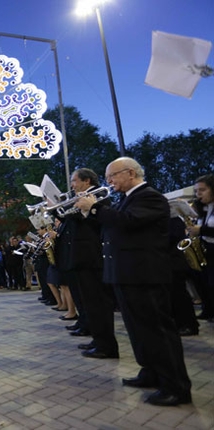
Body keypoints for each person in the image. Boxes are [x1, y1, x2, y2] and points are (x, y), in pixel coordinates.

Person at [76, 157, 192, 406]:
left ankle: (176, 386)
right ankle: (150, 372)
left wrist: (95, 208)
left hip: (144, 276)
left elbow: (129, 222)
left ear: (130, 173)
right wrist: (91, 213)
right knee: (138, 331)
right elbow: (113, 229)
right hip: (127, 275)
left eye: (112, 175)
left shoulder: (149, 197)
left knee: (157, 331)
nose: (109, 181)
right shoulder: (128, 199)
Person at [59, 168, 118, 359]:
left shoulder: (99, 196)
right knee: (90, 304)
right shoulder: (82, 197)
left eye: (74, 181)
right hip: (82, 259)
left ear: (86, 181)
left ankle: (106, 346)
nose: (72, 185)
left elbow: (99, 223)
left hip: (93, 258)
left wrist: (87, 208)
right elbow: (70, 219)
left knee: (98, 304)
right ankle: (98, 340)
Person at [188, 174, 214, 322]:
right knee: (203, 282)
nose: (198, 194)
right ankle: (208, 309)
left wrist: (201, 230)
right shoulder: (202, 208)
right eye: (196, 191)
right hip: (206, 249)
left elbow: (205, 229)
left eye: (202, 190)